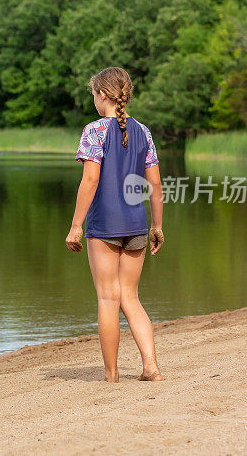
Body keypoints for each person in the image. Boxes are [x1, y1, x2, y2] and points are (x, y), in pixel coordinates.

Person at [65, 66, 165, 383]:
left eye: (94, 94)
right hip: (136, 224)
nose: (94, 99)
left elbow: (91, 178)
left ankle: (111, 375)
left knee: (109, 298)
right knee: (130, 298)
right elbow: (156, 186)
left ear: (102, 95)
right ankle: (151, 367)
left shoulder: (94, 130)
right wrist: (157, 226)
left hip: (104, 225)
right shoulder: (143, 131)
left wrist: (76, 225)